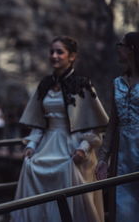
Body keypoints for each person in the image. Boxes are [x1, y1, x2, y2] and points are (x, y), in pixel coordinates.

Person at [10, 36, 109, 222]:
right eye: (51, 52)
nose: (54, 56)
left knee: (72, 187)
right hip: (47, 143)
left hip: (73, 145)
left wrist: (83, 148)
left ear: (72, 57)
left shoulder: (82, 84)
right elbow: (40, 123)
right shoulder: (45, 84)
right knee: (30, 166)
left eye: (59, 52)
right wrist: (31, 145)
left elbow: (94, 126)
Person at [95, 32, 139, 222]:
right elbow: (113, 123)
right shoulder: (117, 83)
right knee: (123, 206)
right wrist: (103, 157)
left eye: (120, 45)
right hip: (122, 152)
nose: (118, 49)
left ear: (132, 50)